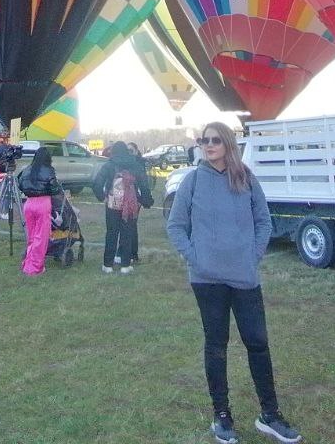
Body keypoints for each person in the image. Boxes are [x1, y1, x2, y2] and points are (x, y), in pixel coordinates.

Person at [167, 121, 300, 444]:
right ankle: (222, 416)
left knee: (257, 343)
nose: (208, 145)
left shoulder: (245, 178)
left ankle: (269, 414)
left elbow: (263, 221)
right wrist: (195, 258)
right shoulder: (193, 181)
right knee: (216, 346)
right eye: (203, 140)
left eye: (214, 140)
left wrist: (251, 255)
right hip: (207, 280)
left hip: (244, 278)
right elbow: (175, 226)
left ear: (227, 143)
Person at [93, 141, 154, 274]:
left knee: (111, 233)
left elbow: (97, 183)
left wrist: (102, 197)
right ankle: (125, 265)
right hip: (130, 204)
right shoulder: (135, 165)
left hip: (112, 204)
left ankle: (107, 265)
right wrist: (146, 201)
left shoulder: (109, 164)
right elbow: (144, 185)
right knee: (127, 233)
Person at [17, 147, 60, 276]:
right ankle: (35, 267)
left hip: (29, 203)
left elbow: (19, 184)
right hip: (43, 203)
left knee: (31, 236)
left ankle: (28, 263)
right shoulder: (49, 170)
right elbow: (54, 189)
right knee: (41, 237)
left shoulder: (26, 170)